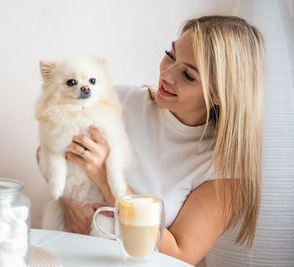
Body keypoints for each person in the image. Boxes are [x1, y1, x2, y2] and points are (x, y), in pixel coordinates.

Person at [40, 15, 266, 265]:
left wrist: (107, 180)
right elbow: (48, 149)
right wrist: (70, 201)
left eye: (188, 75)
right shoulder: (118, 100)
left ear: (219, 95)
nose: (167, 75)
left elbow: (180, 255)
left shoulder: (221, 167)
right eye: (170, 54)